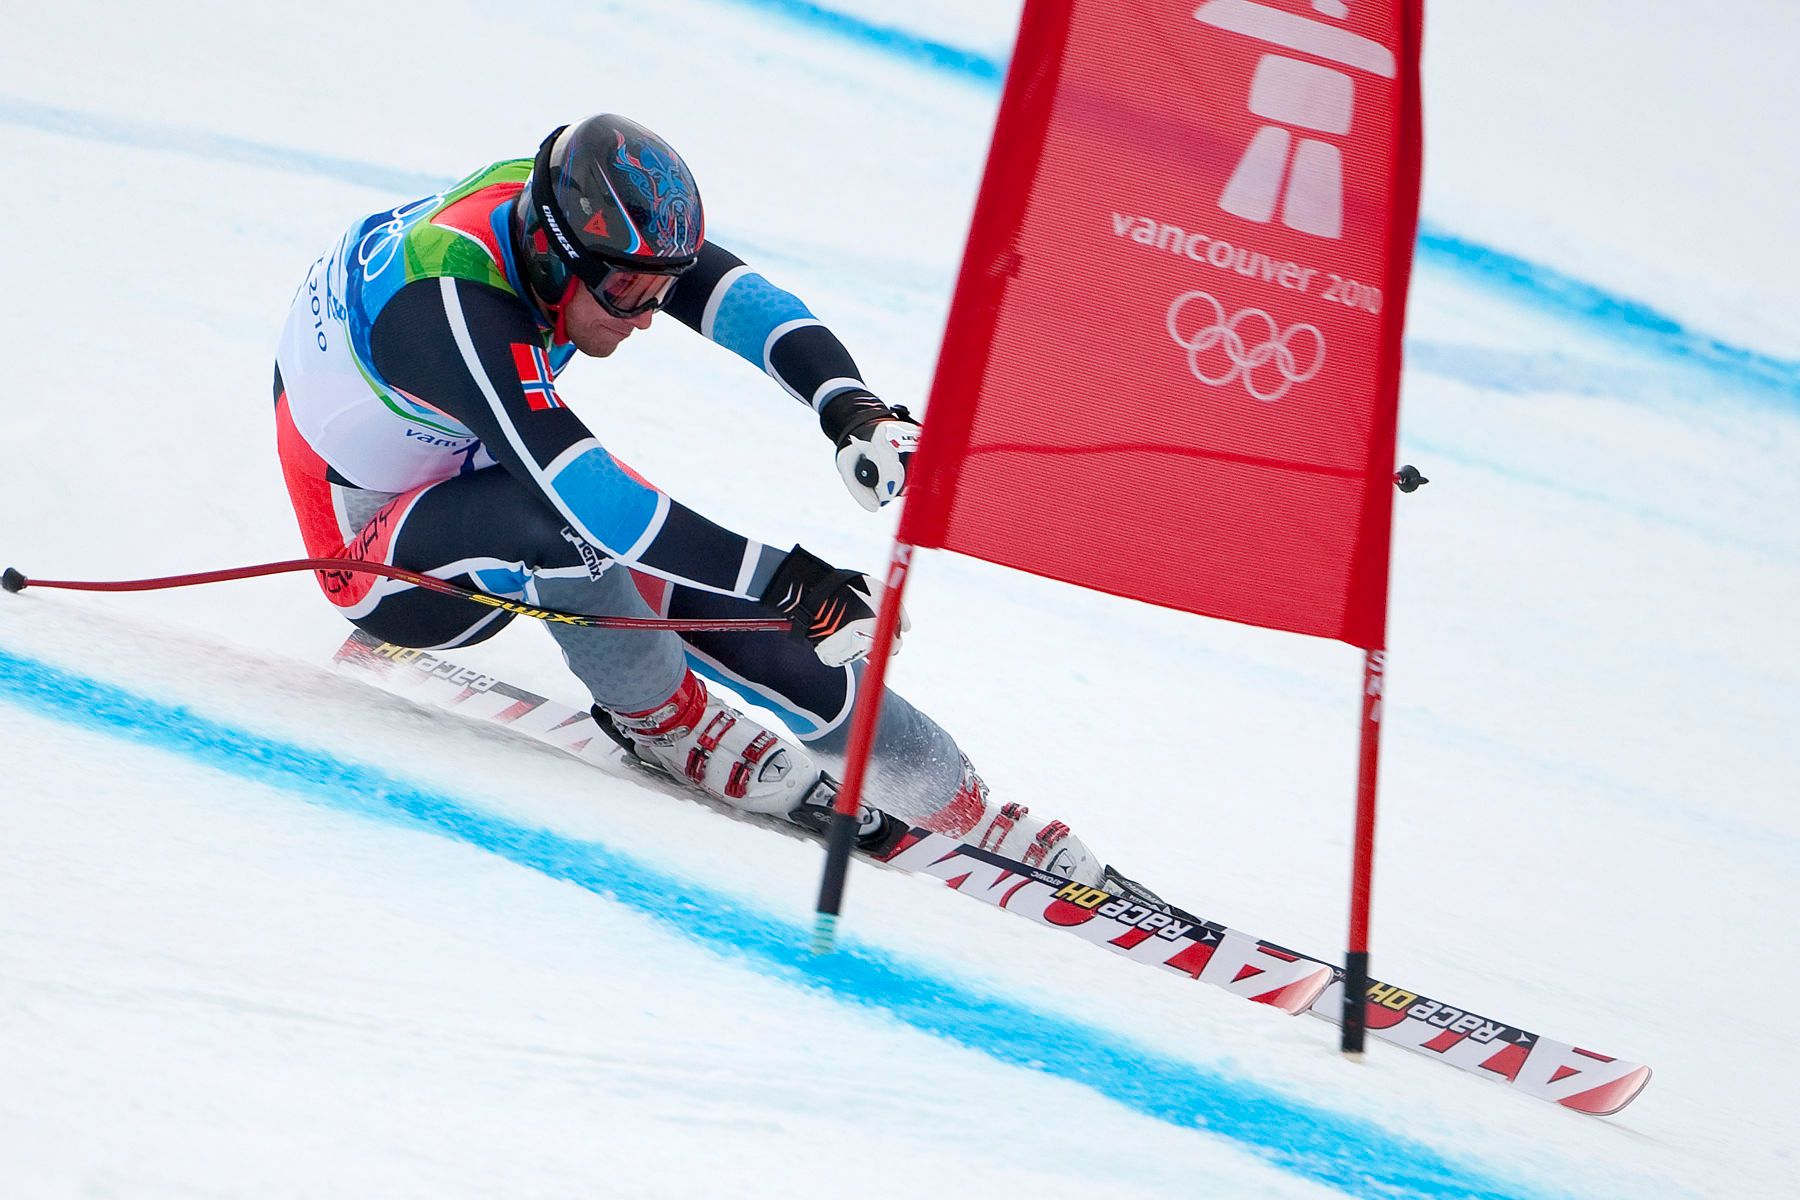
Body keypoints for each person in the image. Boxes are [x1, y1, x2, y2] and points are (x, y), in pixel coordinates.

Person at [271, 113, 1101, 880]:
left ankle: (955, 806)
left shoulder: (574, 216)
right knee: (576, 526)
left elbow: (744, 302)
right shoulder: (448, 306)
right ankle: (662, 719)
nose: (645, 318)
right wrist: (788, 577)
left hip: (478, 468)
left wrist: (851, 407)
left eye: (658, 292)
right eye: (629, 295)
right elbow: (588, 497)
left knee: (768, 622)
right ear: (557, 258)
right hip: (375, 555)